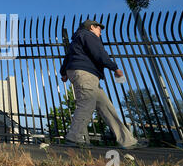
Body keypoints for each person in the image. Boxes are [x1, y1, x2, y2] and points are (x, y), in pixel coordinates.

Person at [60, 20, 145, 149]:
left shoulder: (77, 40)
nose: (100, 32)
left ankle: (128, 141)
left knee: (107, 107)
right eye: (99, 28)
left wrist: (64, 73)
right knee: (86, 104)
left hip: (83, 74)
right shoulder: (88, 35)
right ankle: (74, 138)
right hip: (86, 74)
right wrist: (114, 68)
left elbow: (68, 57)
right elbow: (99, 53)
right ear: (91, 27)